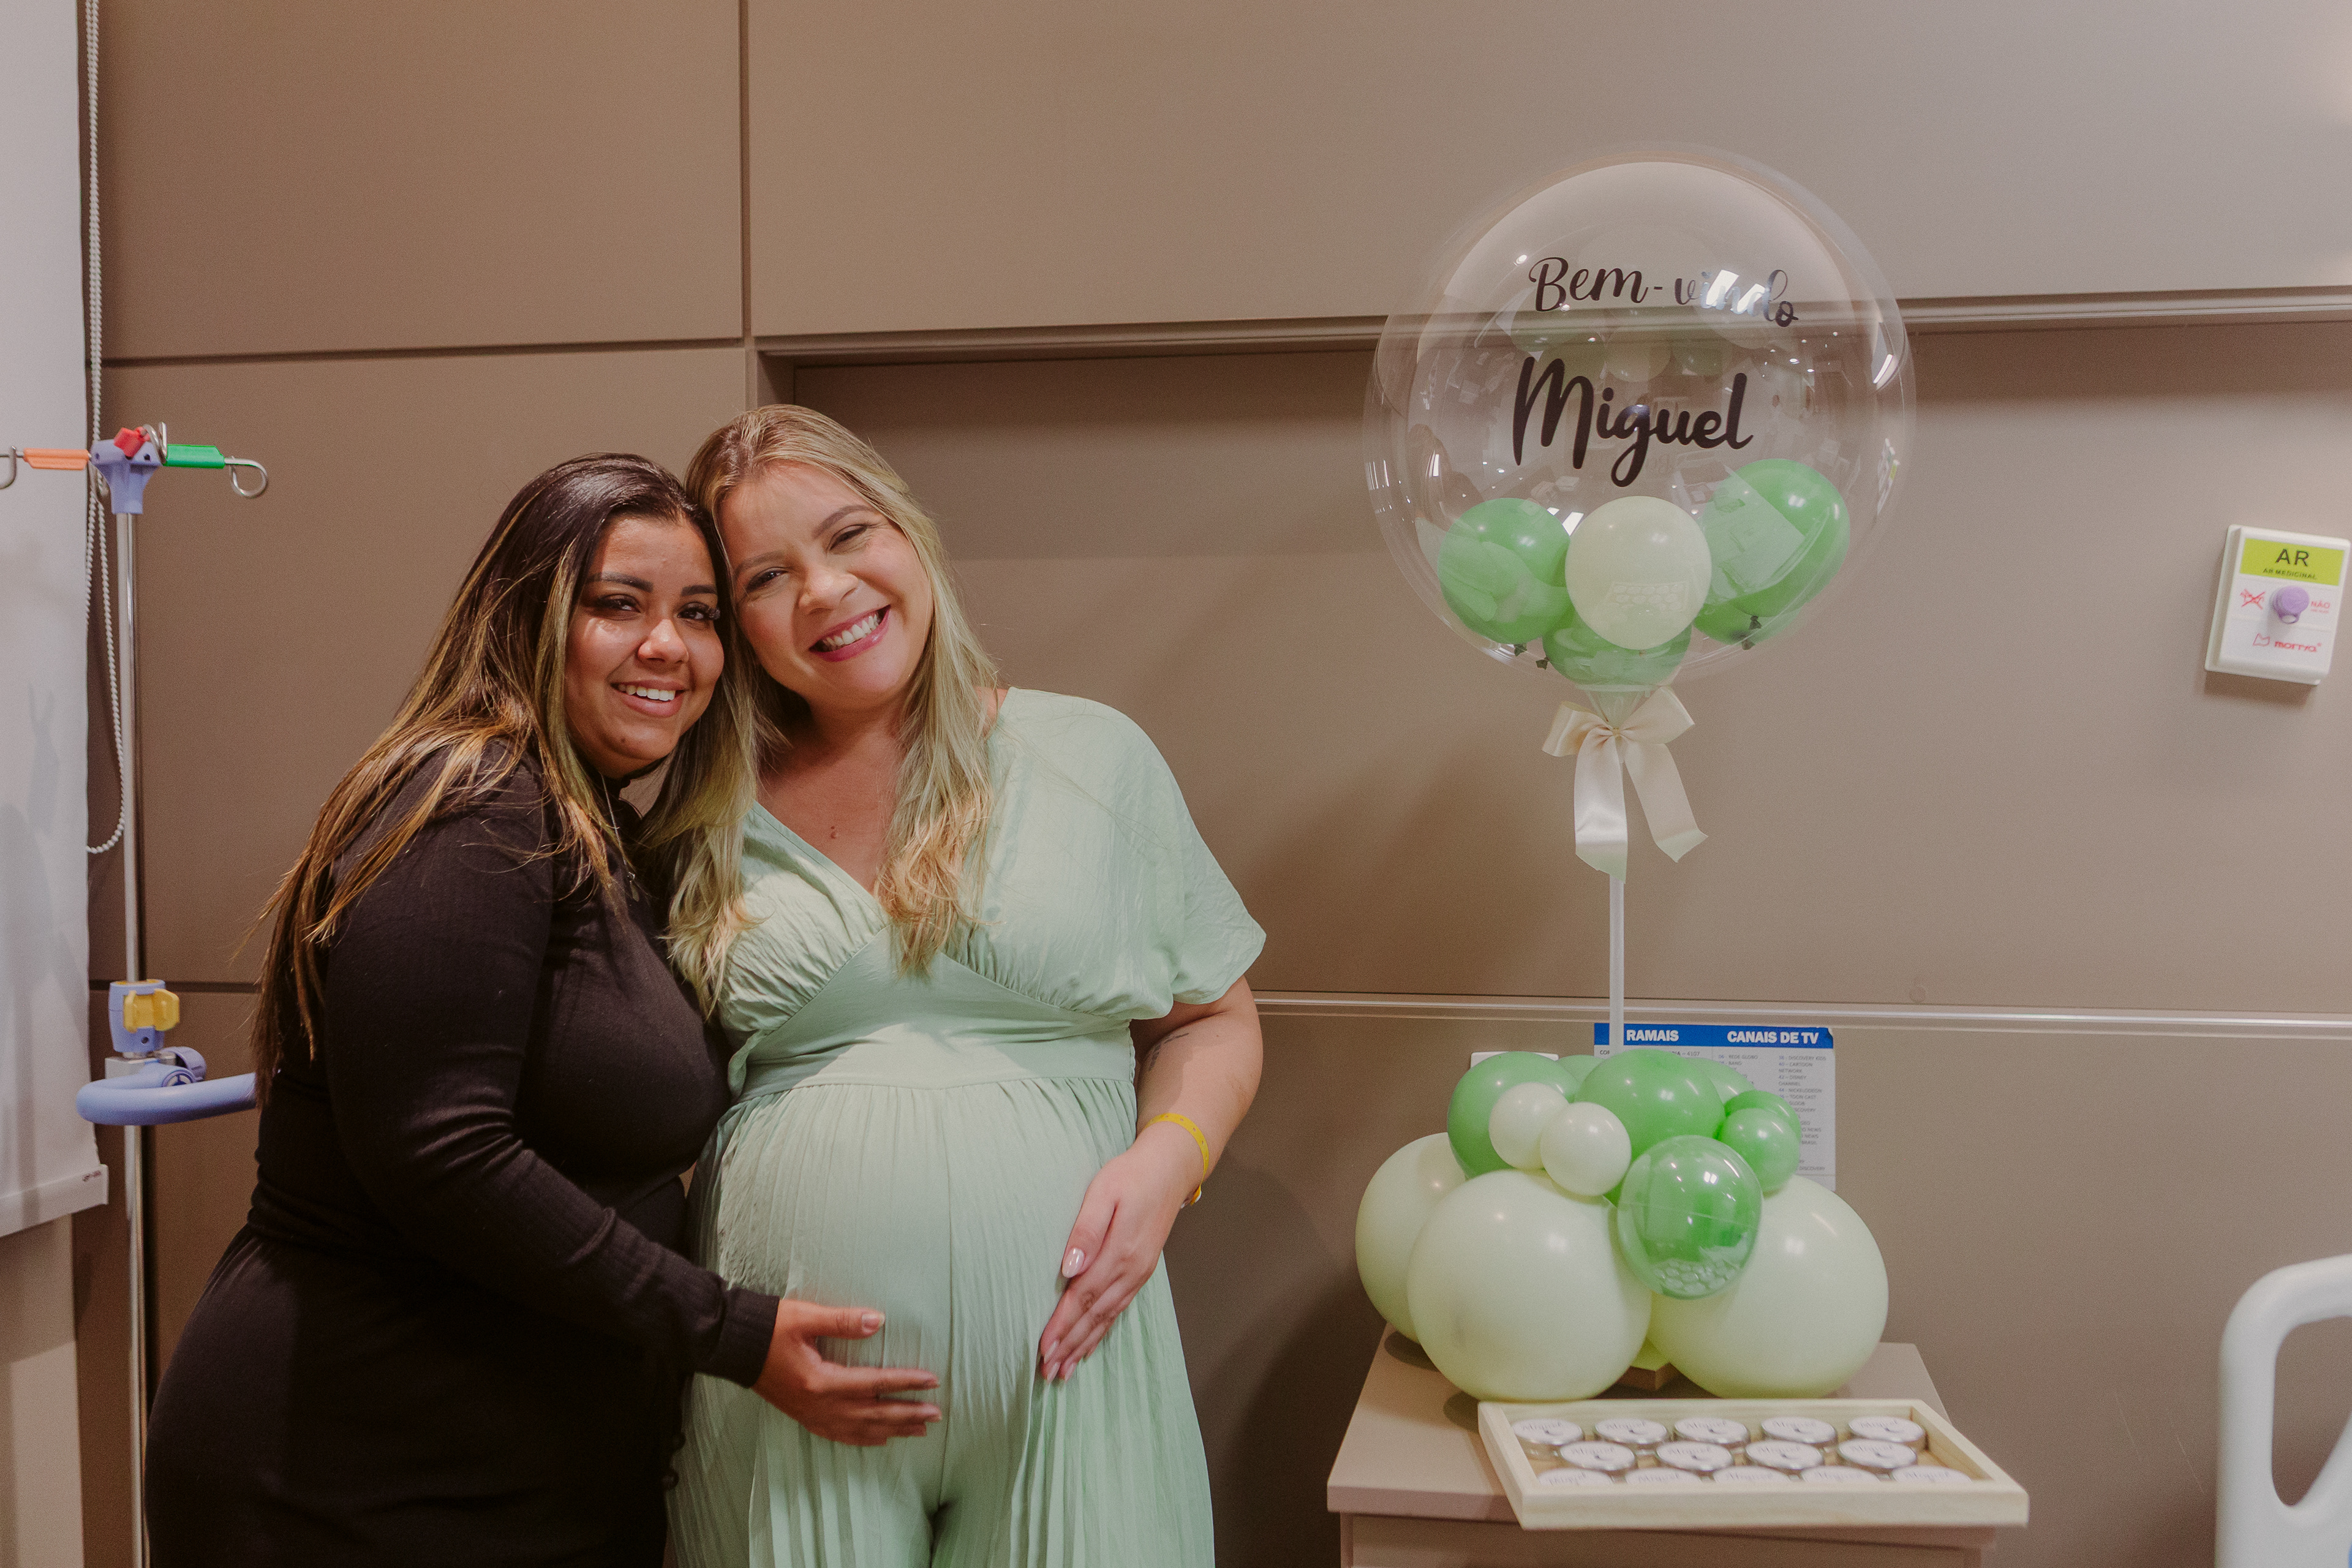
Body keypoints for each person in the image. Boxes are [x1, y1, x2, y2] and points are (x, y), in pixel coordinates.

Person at [145, 455, 919, 1567]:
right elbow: (440, 1151)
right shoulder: (474, 803)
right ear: (525, 618)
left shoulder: (600, 825)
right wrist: (731, 1333)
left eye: (699, 614)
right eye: (619, 605)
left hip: (511, 1454)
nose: (669, 646)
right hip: (356, 1464)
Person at [667, 407, 1264, 1568]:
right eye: (766, 578)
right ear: (735, 627)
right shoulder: (701, 813)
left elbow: (1214, 1019)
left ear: (910, 535)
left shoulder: (1094, 757)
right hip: (787, 1396)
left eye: (850, 535)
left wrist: (1168, 1162)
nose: (825, 591)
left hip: (1075, 1383)